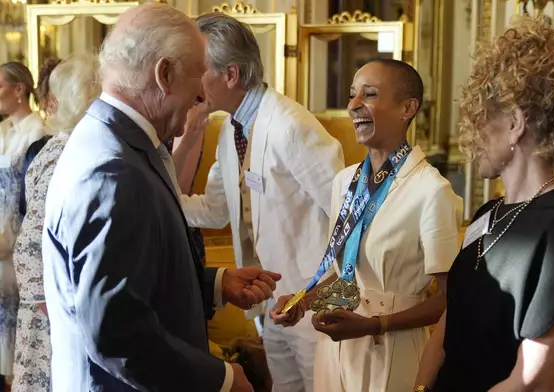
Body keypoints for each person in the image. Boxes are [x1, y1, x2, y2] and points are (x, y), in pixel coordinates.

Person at [41, 4, 281, 392]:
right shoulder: (113, 170)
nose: (202, 93)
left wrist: (215, 284)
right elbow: (117, 334)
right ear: (164, 74)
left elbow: (133, 277)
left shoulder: (116, 141)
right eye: (197, 75)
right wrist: (221, 379)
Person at [413, 16, 554, 392]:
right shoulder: (489, 214)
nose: (470, 137)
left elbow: (530, 381)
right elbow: (450, 318)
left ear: (516, 124)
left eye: (480, 119)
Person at [270, 59, 463, 392]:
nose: (353, 105)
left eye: (369, 94)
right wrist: (303, 302)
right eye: (351, 95)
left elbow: (452, 299)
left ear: (407, 107)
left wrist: (374, 325)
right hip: (337, 344)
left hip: (391, 348)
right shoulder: (345, 182)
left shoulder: (432, 191)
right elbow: (346, 275)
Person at [176, 13, 345, 392]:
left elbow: (345, 212)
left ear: (231, 74)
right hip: (271, 305)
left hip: (311, 302)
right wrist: (160, 202)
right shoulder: (230, 128)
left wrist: (325, 296)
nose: (191, 80)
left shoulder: (290, 125)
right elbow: (216, 209)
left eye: (197, 68)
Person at [12, 53, 100, 392]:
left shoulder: (66, 144)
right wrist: (53, 307)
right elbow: (31, 242)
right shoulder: (66, 150)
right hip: (50, 308)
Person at [0, 62, 49, 388]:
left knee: (13, 328)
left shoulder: (37, 134)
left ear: (19, 90)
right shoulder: (5, 132)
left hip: (16, 240)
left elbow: (29, 199)